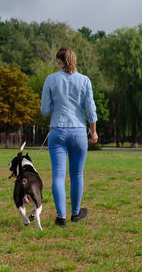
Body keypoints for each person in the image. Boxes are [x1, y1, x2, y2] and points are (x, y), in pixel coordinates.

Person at [41, 47, 98, 227]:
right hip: (79, 132)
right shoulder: (85, 80)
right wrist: (94, 131)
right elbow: (90, 109)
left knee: (58, 175)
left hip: (57, 131)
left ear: (59, 61)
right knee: (77, 174)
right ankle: (75, 213)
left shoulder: (50, 79)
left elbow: (45, 110)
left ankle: (61, 218)